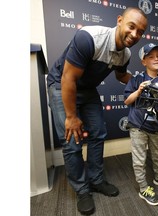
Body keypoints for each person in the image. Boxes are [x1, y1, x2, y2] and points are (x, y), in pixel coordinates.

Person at [46, 7, 148, 215]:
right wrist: (72, 116)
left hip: (87, 88)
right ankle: (82, 190)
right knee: (72, 141)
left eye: (140, 32)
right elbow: (68, 79)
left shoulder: (125, 54)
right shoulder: (90, 38)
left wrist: (145, 83)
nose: (135, 34)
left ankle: (96, 180)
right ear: (119, 20)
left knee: (98, 133)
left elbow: (121, 77)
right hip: (61, 84)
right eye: (131, 26)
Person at [124, 43, 158, 206]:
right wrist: (139, 91)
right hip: (138, 126)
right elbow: (127, 101)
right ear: (143, 61)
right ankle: (143, 188)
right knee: (139, 159)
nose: (156, 59)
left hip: (157, 127)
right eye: (151, 56)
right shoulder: (137, 79)